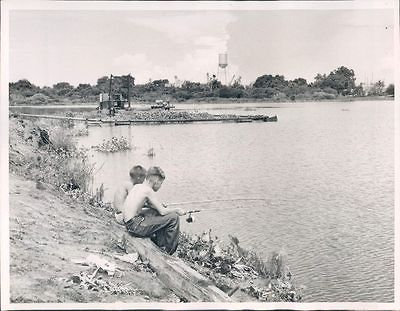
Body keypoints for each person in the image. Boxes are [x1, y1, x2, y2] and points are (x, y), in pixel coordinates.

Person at [123, 166, 186, 255]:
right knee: (173, 218)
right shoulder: (148, 191)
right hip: (135, 227)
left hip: (128, 224)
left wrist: (158, 207)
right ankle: (168, 251)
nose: (160, 186)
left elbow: (145, 205)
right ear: (156, 181)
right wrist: (177, 210)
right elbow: (162, 212)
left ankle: (160, 243)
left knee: (155, 212)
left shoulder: (137, 186)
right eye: (161, 183)